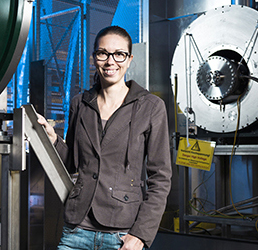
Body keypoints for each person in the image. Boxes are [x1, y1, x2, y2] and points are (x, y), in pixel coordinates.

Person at [37, 25, 172, 250]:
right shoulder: (80, 103)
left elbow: (160, 177)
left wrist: (140, 235)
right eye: (103, 53)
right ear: (94, 58)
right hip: (77, 230)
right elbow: (73, 163)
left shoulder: (150, 107)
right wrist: (53, 140)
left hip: (122, 233)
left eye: (119, 54)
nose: (111, 61)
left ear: (129, 59)